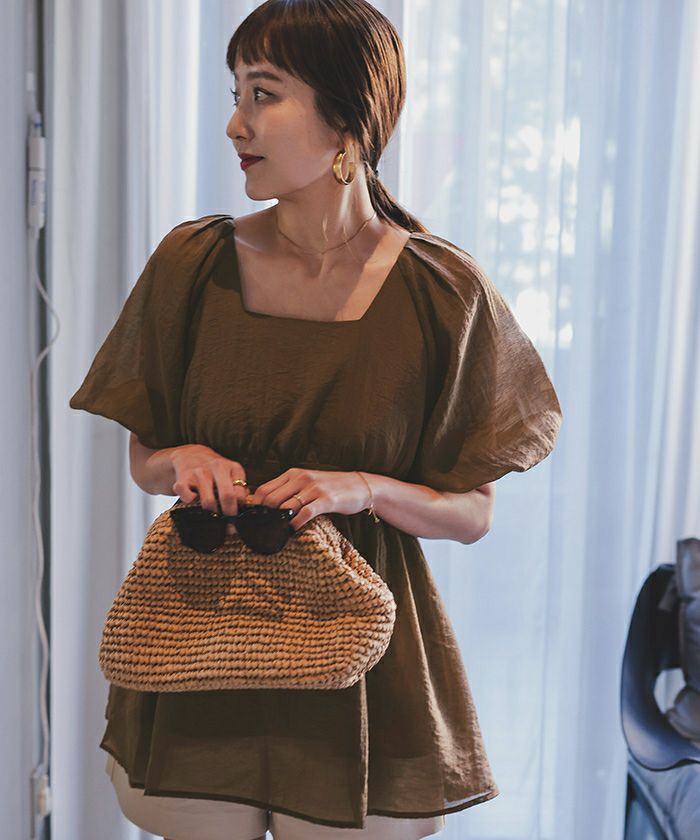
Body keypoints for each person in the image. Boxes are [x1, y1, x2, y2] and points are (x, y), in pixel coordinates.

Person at [69, 1, 563, 838]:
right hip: (203, 642)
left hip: (362, 667)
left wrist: (362, 487)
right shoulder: (192, 264)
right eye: (235, 93)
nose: (236, 123)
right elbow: (145, 457)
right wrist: (180, 461)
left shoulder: (443, 293)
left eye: (264, 94)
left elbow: (473, 513)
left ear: (347, 117)